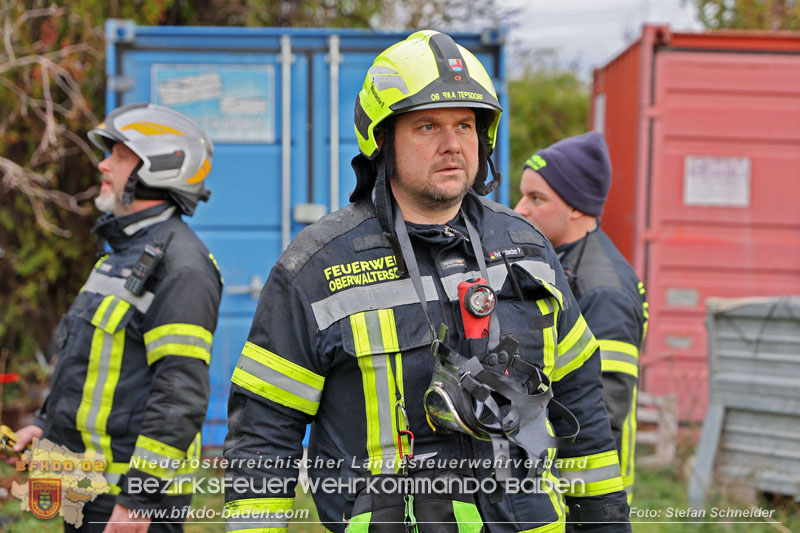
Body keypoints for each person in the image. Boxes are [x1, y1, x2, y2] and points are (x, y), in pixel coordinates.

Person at [224, 31, 630, 532]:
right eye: (426, 126)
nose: (452, 144)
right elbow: (265, 431)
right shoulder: (316, 267)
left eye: (465, 124)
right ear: (382, 140)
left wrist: (604, 522)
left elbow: (580, 400)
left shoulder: (528, 247)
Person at [5, 103, 223, 532]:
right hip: (89, 488)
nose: (104, 163)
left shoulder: (182, 267)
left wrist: (139, 501)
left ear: (160, 167)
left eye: (120, 154)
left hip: (127, 500)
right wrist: (44, 427)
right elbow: (85, 364)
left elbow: (178, 396)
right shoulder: (123, 254)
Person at [514, 132, 648, 504]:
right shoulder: (560, 262)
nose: (520, 208)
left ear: (576, 207)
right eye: (523, 194)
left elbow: (602, 407)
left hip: (588, 490)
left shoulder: (603, 290)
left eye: (536, 198)